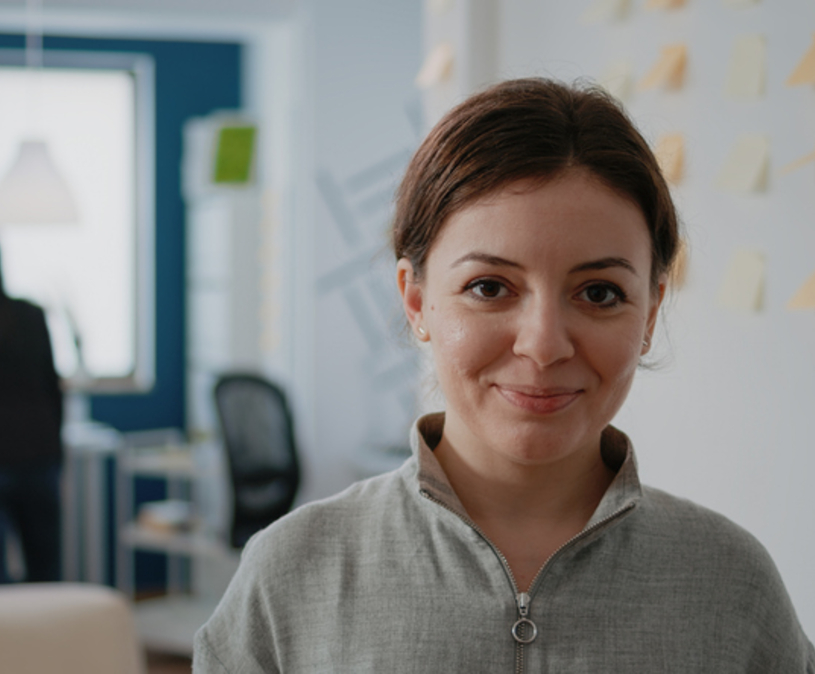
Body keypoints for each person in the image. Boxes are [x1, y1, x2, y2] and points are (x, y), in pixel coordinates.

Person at [193, 78, 815, 672]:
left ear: (650, 311)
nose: (543, 346)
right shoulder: (290, 573)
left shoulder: (733, 586)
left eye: (599, 293)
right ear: (416, 302)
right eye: (489, 287)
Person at [0, 249, 63, 583]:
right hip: (40, 453)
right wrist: (58, 453)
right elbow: (53, 388)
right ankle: (51, 636)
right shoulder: (32, 314)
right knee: (46, 568)